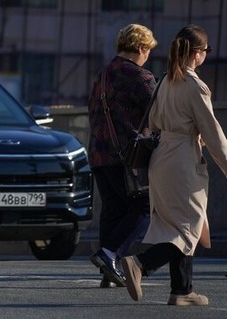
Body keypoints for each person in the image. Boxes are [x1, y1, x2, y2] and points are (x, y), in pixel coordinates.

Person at [122, 24, 227, 306]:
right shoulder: (194, 86)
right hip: (183, 160)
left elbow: (153, 121)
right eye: (206, 50)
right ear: (197, 53)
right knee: (188, 227)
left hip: (161, 157)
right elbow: (213, 133)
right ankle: (140, 263)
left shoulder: (165, 81)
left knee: (177, 225)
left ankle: (182, 290)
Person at [87, 24, 157, 288]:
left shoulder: (103, 74)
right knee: (145, 207)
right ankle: (110, 254)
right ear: (140, 48)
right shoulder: (140, 76)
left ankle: (109, 272)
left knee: (113, 209)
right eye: (148, 50)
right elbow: (158, 114)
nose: (148, 56)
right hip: (127, 157)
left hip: (98, 153)